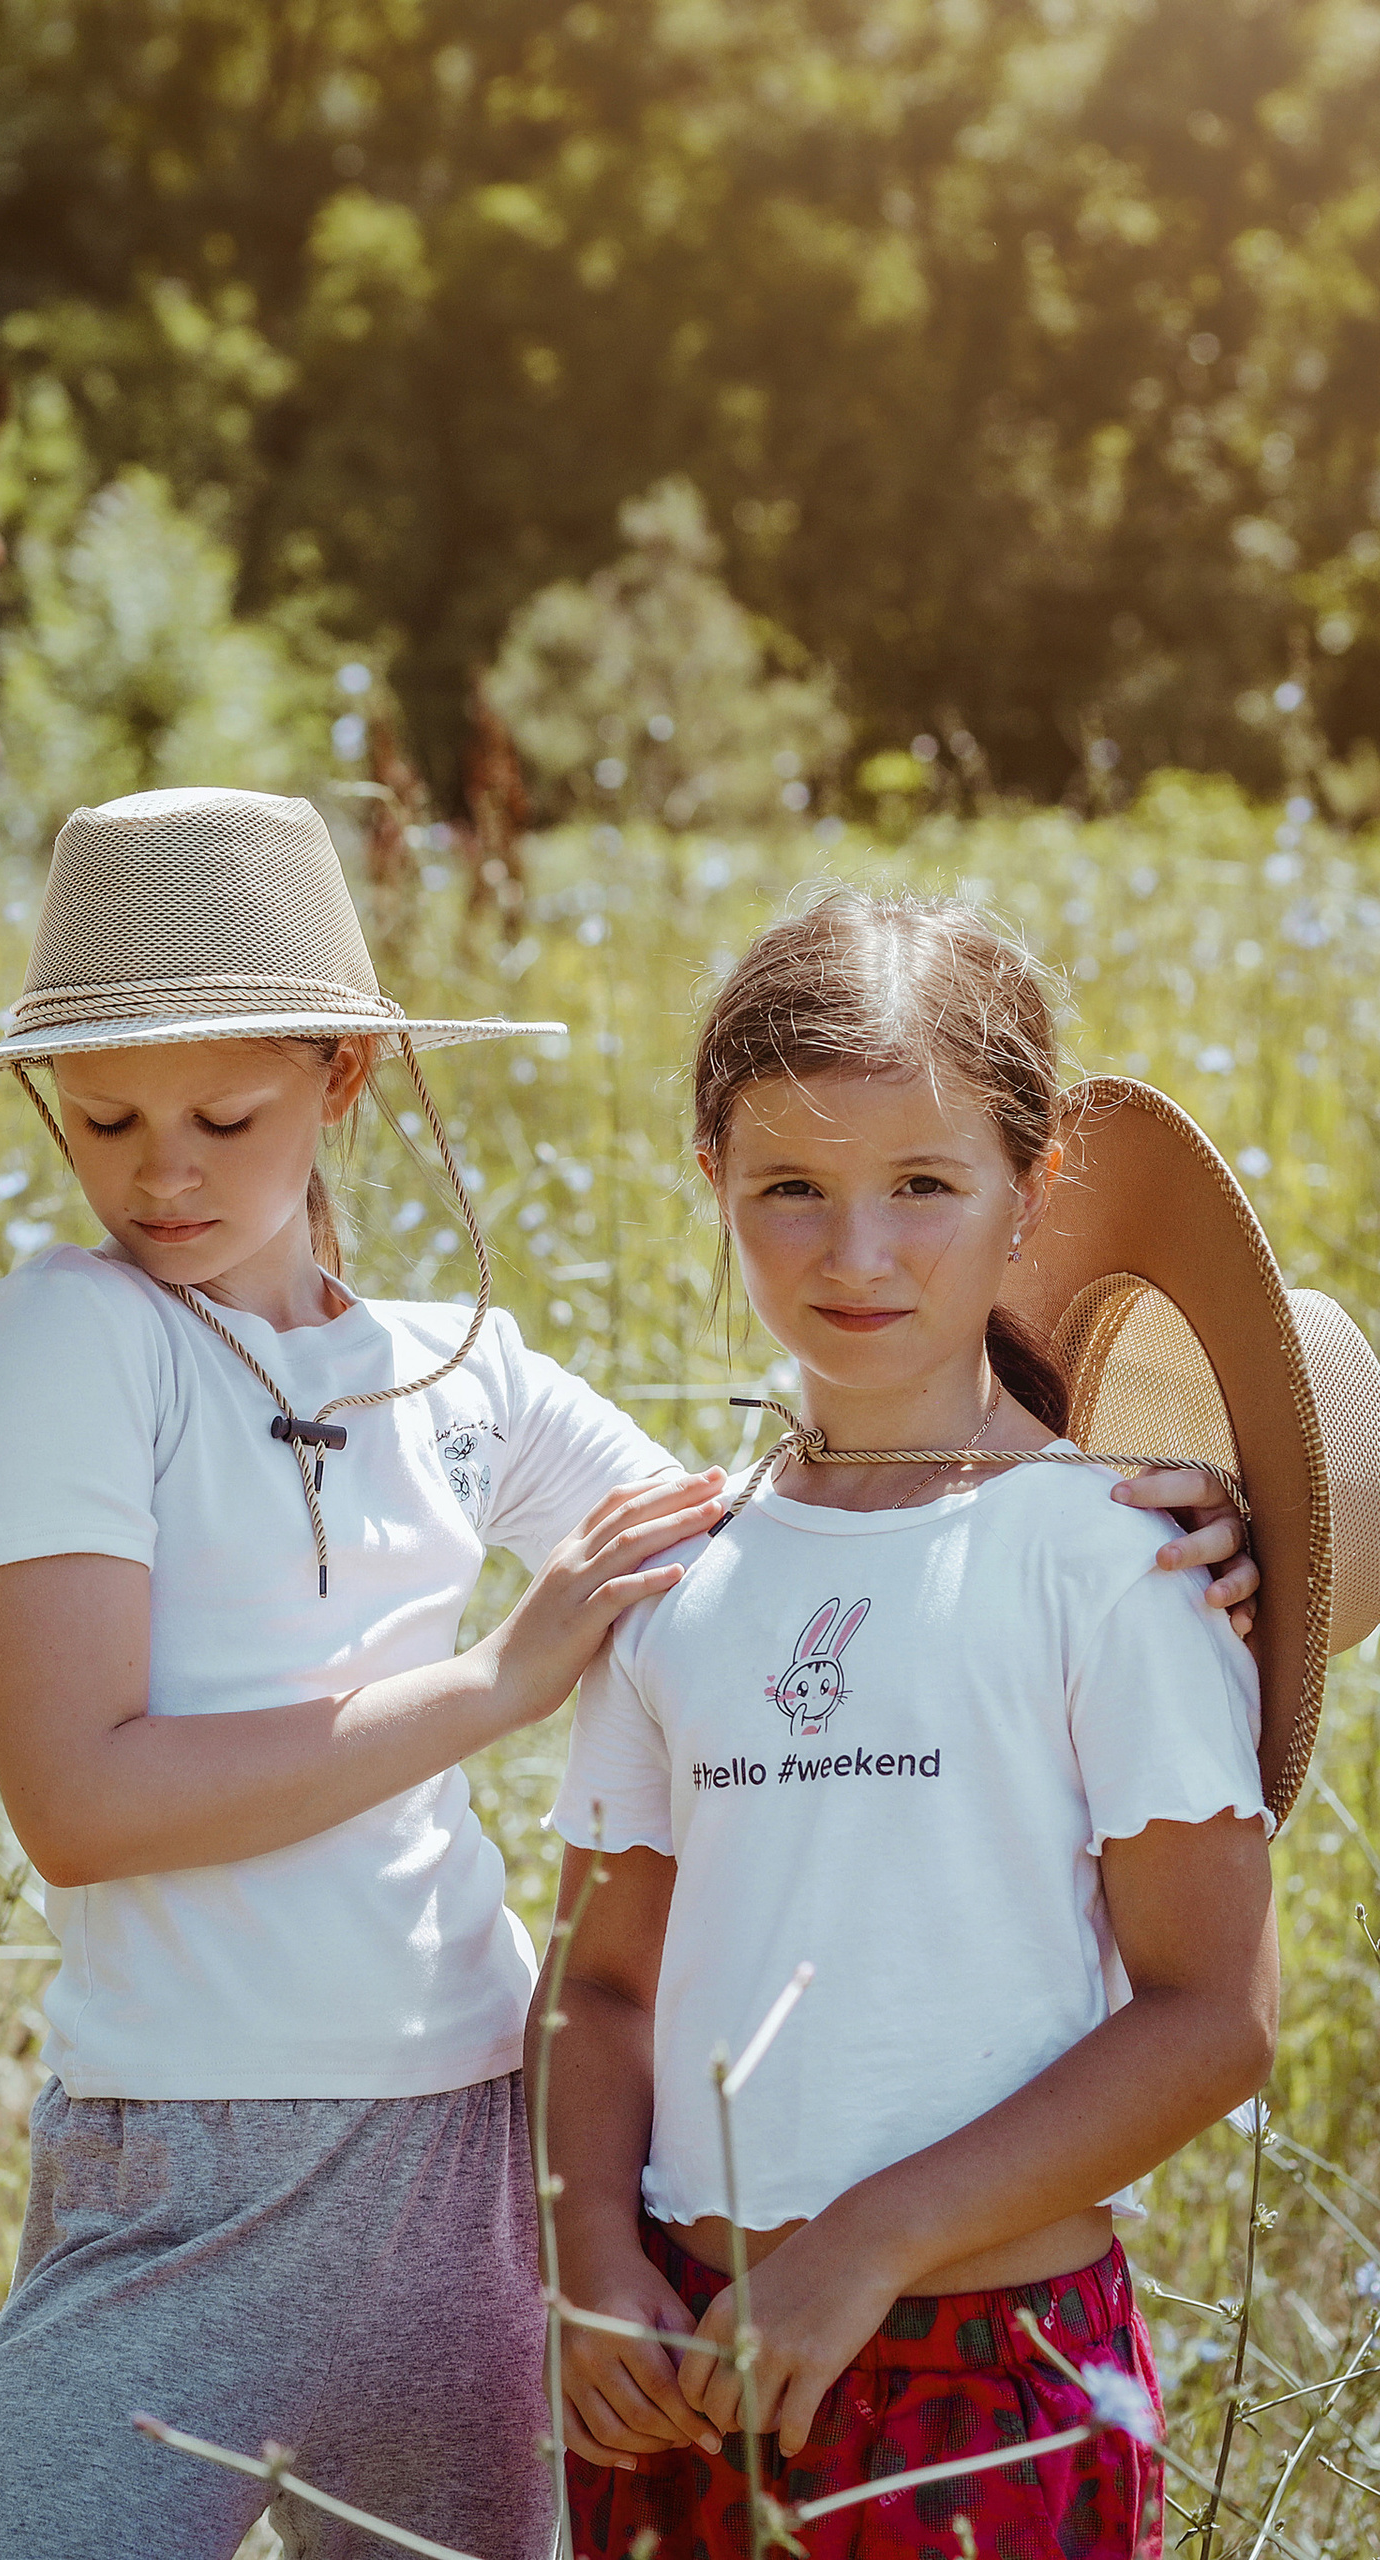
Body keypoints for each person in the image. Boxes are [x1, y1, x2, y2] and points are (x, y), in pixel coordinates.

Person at [0, 802, 1255, 2560]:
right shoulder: (75, 1330)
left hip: (473, 2151)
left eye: (225, 1114)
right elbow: (77, 1806)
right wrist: (504, 1679)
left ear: (346, 1075)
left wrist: (1160, 1492)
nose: (163, 1173)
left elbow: (797, 1550)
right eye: (106, 1118)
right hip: (205, 2161)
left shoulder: (463, 1374)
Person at [547, 891, 1286, 2559]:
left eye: (925, 1189)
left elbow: (1213, 2012)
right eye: (789, 1190)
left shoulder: (1118, 1557)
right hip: (673, 2375)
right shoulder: (678, 1565)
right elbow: (598, 1985)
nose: (855, 1253)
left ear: (1030, 1196)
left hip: (988, 2378)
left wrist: (868, 2241)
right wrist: (587, 2258)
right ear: (714, 1190)